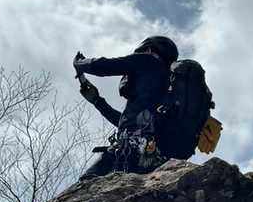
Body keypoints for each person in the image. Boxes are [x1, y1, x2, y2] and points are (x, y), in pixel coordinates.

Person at [73, 36, 179, 182]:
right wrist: (98, 102)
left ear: (148, 50)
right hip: (154, 155)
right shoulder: (167, 84)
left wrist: (80, 64)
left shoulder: (147, 61)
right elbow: (127, 122)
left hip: (131, 147)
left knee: (87, 184)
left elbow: (106, 66)